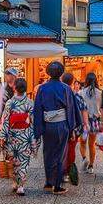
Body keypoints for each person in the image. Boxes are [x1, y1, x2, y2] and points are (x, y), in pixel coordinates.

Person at [33, 61, 82, 195]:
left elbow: (37, 109)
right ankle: (57, 185)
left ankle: (49, 182)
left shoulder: (42, 88)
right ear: (61, 73)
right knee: (60, 154)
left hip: (47, 124)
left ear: (48, 73)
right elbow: (71, 109)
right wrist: (72, 128)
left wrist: (38, 129)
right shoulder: (66, 88)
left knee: (48, 153)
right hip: (62, 124)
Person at [0, 78, 37, 196]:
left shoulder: (10, 103)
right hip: (25, 135)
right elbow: (33, 121)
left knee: (13, 160)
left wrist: (2, 136)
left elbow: (5, 120)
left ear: (14, 88)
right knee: (24, 161)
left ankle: (16, 182)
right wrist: (34, 137)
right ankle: (21, 185)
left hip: (12, 136)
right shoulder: (30, 102)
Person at [61, 73, 88, 180]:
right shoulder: (77, 96)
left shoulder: (60, 94)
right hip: (75, 127)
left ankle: (61, 171)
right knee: (71, 149)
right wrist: (86, 124)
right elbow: (84, 110)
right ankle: (67, 172)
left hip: (61, 125)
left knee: (61, 149)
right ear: (72, 83)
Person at [78, 72, 102, 174]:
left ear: (86, 81)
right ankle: (91, 166)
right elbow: (101, 108)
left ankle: (84, 158)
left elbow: (79, 108)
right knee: (91, 144)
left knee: (82, 143)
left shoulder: (81, 92)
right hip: (95, 121)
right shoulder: (100, 93)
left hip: (84, 121)